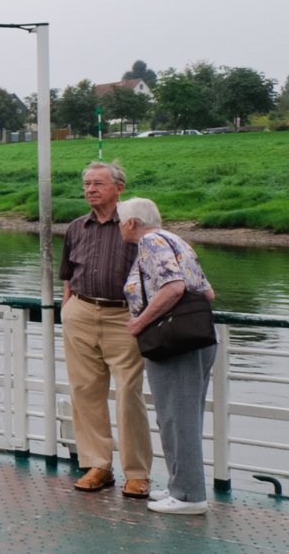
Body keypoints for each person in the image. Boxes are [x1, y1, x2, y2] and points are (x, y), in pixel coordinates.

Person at [118, 198, 220, 515]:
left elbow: (173, 287)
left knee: (178, 418)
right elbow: (207, 293)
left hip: (176, 345)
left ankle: (190, 496)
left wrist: (141, 321)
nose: (119, 227)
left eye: (120, 221)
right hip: (195, 340)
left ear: (132, 222)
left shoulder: (150, 242)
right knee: (178, 416)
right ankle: (180, 485)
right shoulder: (176, 240)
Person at [59, 161, 149, 498]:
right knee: (84, 390)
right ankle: (98, 465)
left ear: (118, 188)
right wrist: (68, 306)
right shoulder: (76, 228)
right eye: (86, 184)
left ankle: (137, 473)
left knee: (128, 393)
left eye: (98, 184)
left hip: (123, 317)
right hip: (81, 311)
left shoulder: (133, 225)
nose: (90, 190)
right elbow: (68, 271)